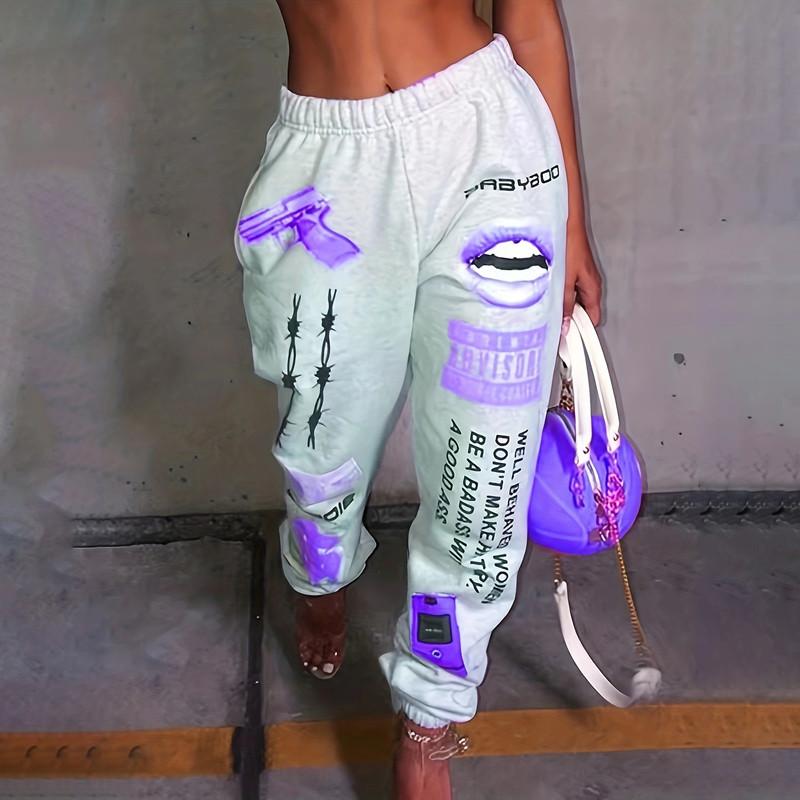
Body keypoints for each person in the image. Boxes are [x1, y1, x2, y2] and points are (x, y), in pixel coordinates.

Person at [234, 1, 602, 796]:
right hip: (326, 165)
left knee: (485, 467)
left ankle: (431, 716)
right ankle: (320, 571)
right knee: (319, 440)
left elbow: (530, 21)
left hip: (490, 151)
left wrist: (570, 219)